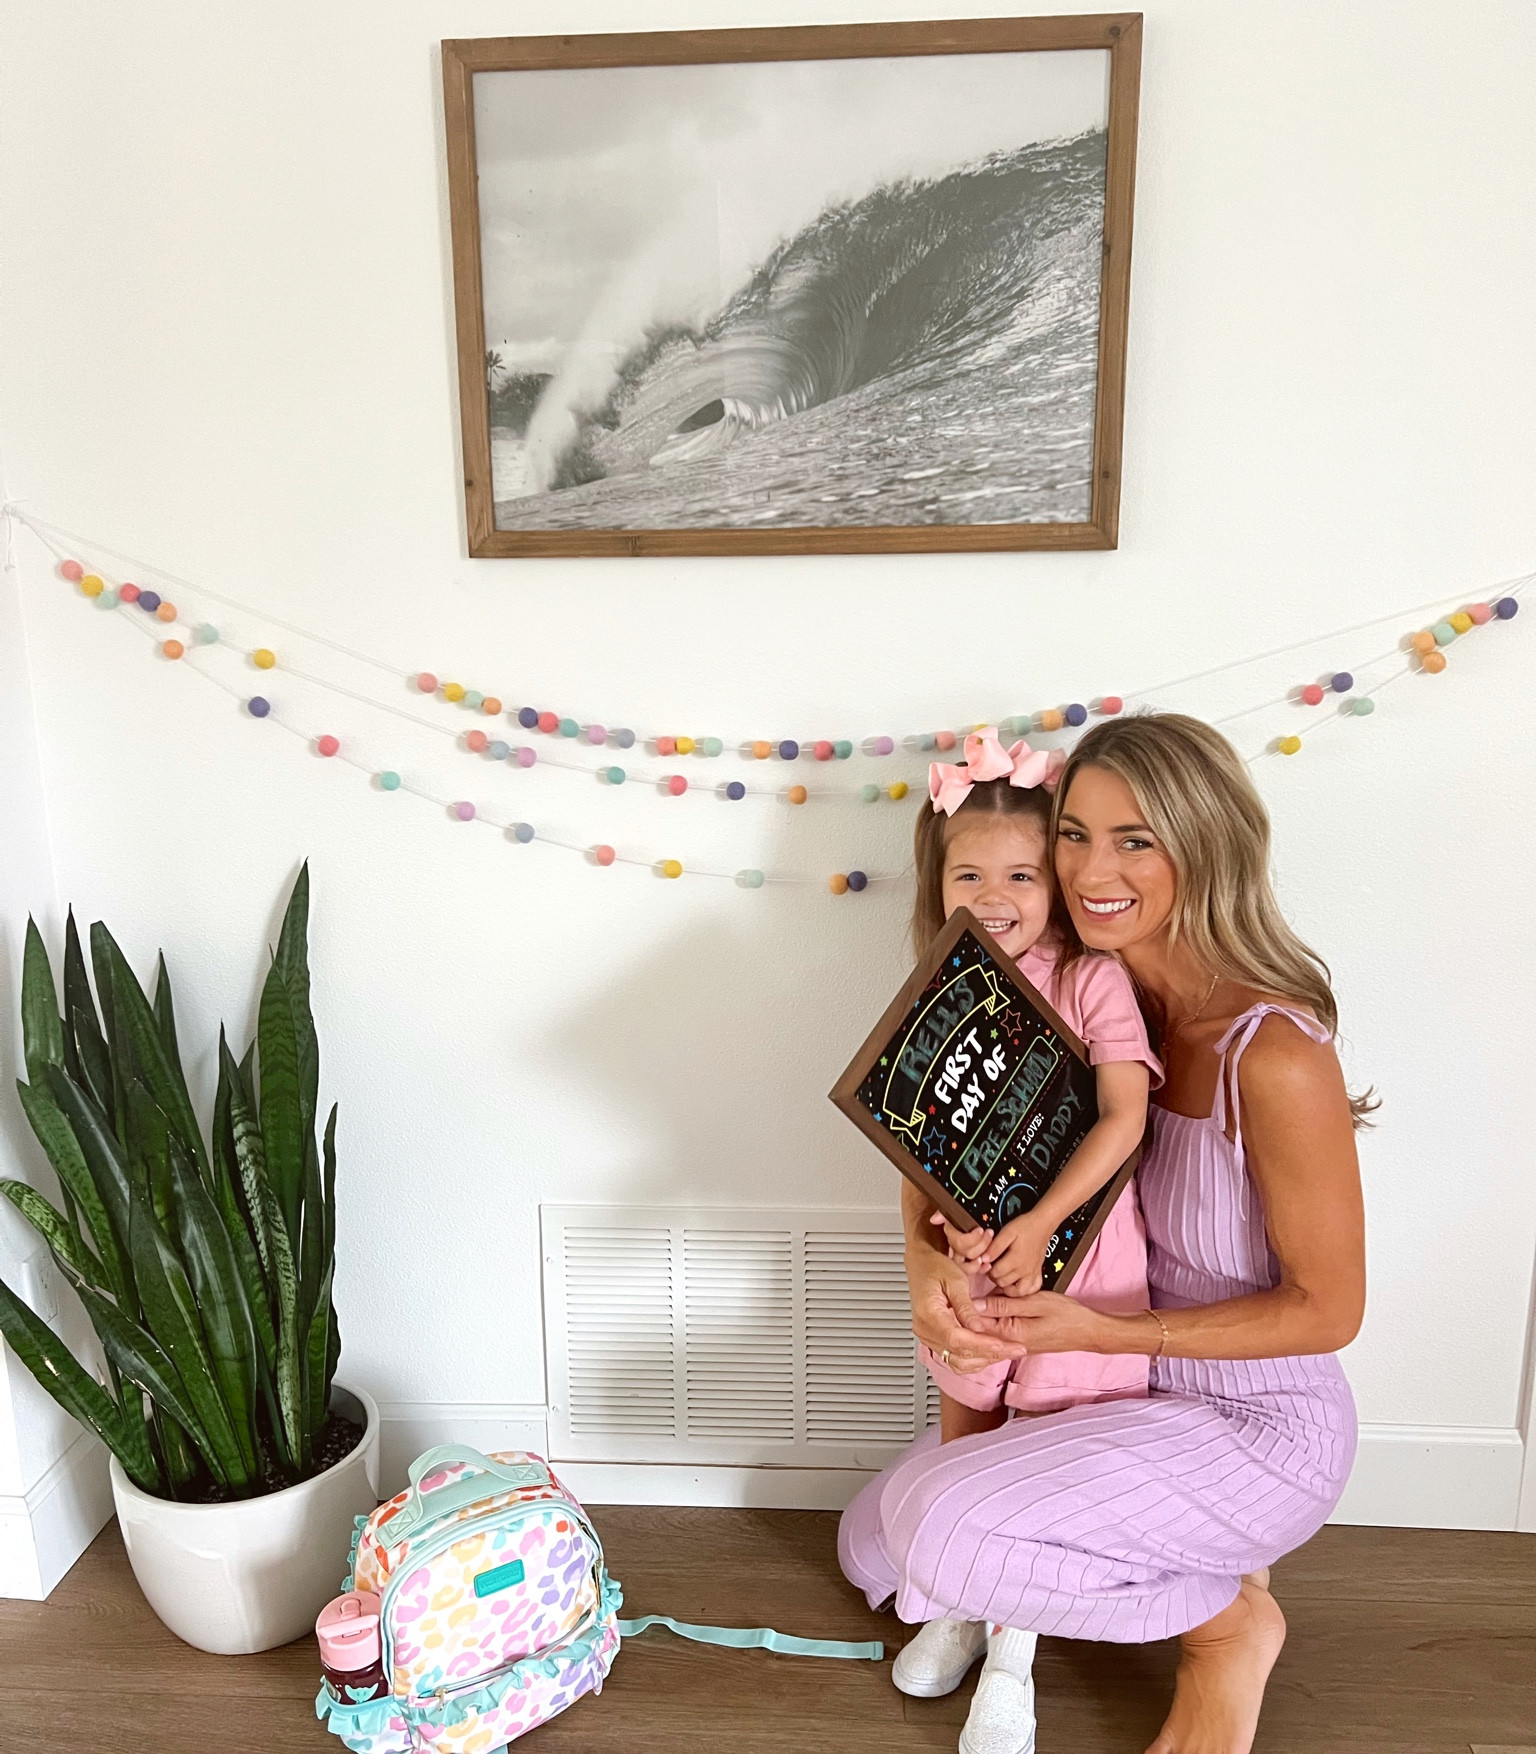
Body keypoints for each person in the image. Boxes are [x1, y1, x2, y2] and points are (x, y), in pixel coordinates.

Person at [839, 713, 1368, 1754]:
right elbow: (942, 1148)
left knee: (944, 1530)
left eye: (1135, 839)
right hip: (1115, 1387)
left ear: (1205, 843)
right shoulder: (1072, 991)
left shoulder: (1276, 1052)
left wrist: (1103, 1331)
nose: (1090, 867)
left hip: (1256, 1426)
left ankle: (1226, 1622)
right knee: (874, 1548)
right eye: (1073, 835)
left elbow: (1330, 1310)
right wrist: (923, 1265)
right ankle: (1106, 1566)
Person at [894, 726, 1160, 1707]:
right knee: (968, 1413)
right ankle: (958, 1601)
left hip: (1084, 1255)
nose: (993, 897)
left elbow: (1124, 1116)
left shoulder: (1092, 978)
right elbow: (922, 1134)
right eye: (969, 875)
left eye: (1020, 872)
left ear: (1056, 880)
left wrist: (1045, 1216)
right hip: (977, 1254)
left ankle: (1017, 1651)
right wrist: (953, 1225)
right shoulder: (942, 988)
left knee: (1040, 1437)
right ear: (940, 881)